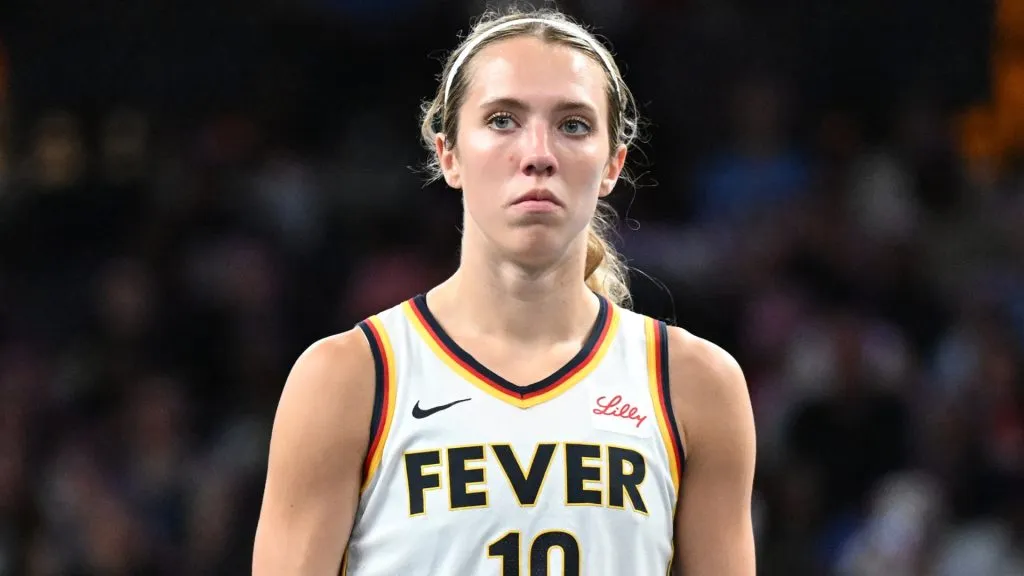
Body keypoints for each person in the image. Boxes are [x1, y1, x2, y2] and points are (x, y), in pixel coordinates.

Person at [253, 7, 756, 575]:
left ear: (613, 164)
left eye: (573, 124)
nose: (537, 154)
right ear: (448, 153)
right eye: (502, 120)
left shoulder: (693, 383)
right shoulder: (348, 378)